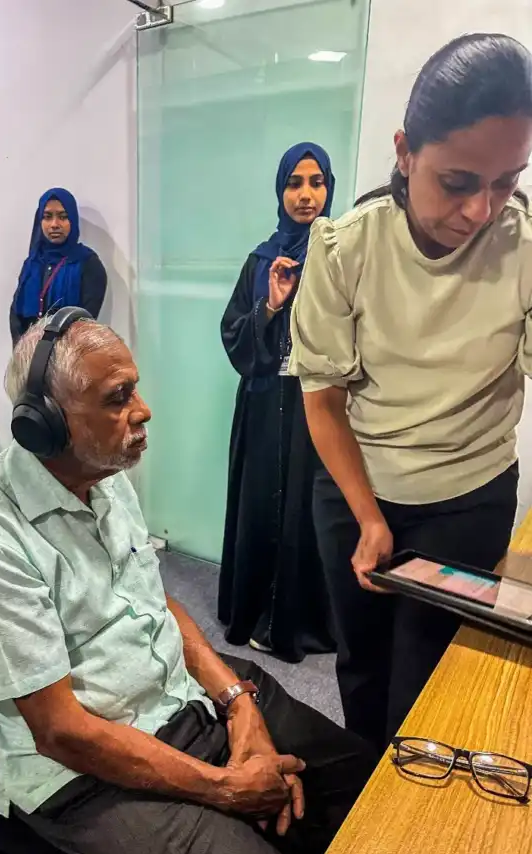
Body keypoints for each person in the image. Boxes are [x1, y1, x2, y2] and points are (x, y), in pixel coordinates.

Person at [0, 311, 374, 854]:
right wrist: (224, 789)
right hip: (86, 777)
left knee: (368, 792)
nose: (143, 410)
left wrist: (239, 705)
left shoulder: (103, 477)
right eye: (118, 399)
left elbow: (158, 603)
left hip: (184, 701)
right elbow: (63, 733)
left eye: (134, 388)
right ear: (44, 424)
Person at [290, 33, 532, 753]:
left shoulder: (523, 249)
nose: (481, 209)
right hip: (357, 488)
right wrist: (368, 517)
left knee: (433, 682)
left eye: (507, 181)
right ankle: (362, 796)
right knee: (361, 665)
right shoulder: (346, 247)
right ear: (404, 152)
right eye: (458, 182)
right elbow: (323, 400)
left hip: (469, 496)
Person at [218, 143, 336, 661]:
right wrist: (269, 305)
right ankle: (251, 611)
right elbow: (233, 335)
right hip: (265, 407)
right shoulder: (261, 260)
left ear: (329, 187)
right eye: (294, 183)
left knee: (308, 509)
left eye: (316, 182)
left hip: (317, 407)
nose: (305, 195)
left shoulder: (337, 258)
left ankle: (296, 622)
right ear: (280, 190)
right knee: (261, 503)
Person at [9, 188, 107, 344]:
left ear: (73, 220)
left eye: (63, 217)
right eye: (47, 217)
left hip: (69, 352)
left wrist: (55, 352)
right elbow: (16, 315)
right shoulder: (32, 263)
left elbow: (86, 321)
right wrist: (24, 351)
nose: (54, 224)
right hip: (29, 352)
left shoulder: (87, 263)